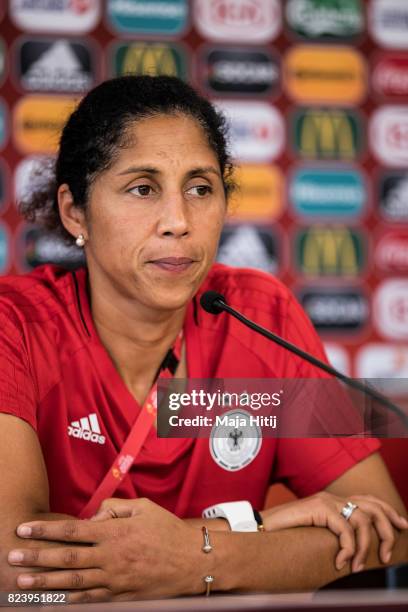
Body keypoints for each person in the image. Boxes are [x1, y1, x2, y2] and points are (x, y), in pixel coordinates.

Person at [0, 76, 407, 603]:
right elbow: (13, 573)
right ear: (76, 211)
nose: (179, 221)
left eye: (200, 189)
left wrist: (195, 557)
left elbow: (387, 533)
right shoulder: (15, 325)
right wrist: (255, 531)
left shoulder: (260, 313)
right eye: (143, 188)